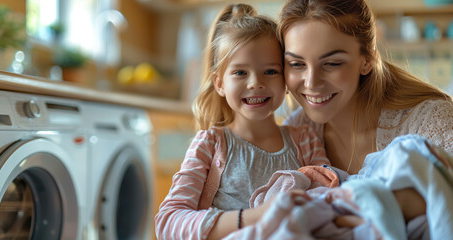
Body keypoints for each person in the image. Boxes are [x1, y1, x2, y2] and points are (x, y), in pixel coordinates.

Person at [155, 3, 332, 240]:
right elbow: (168, 221)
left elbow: (328, 200)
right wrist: (254, 217)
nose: (255, 83)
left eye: (270, 71)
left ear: (286, 80)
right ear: (219, 83)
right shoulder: (209, 144)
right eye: (240, 72)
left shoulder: (306, 140)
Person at [278, 0, 453, 228]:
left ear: (368, 60)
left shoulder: (430, 120)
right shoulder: (296, 132)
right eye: (296, 64)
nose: (311, 83)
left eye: (332, 63)